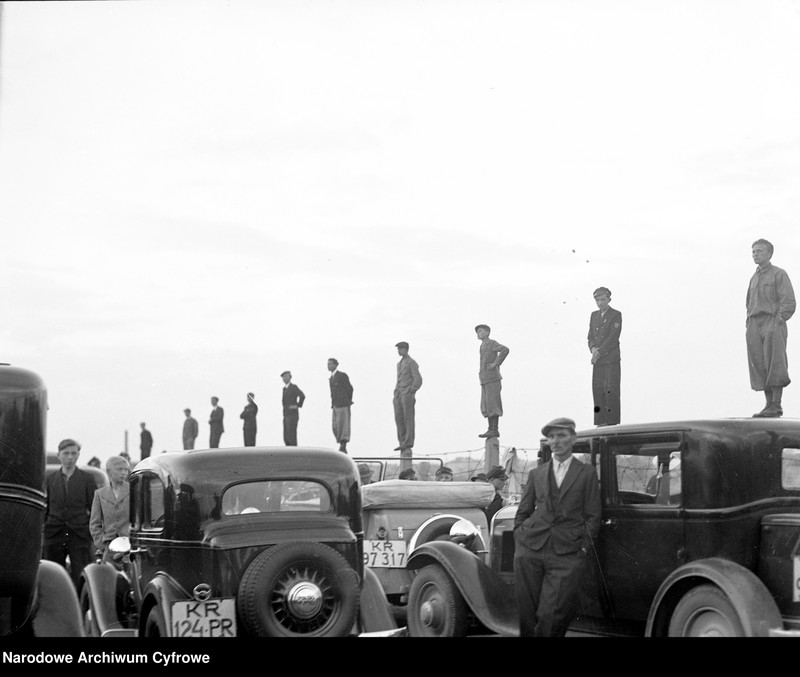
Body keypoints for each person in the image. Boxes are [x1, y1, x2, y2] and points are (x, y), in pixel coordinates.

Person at [513, 417, 601, 637]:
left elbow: (593, 515)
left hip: (566, 553)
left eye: (561, 436)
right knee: (526, 611)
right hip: (530, 549)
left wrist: (582, 549)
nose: (555, 441)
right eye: (551, 436)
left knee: (553, 613)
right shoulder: (537, 473)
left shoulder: (586, 472)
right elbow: (523, 511)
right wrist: (520, 537)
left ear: (573, 438)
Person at [747, 238, 796, 418]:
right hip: (754, 323)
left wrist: (779, 319)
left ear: (769, 253)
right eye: (753, 251)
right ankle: (768, 404)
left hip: (772, 321)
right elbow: (749, 302)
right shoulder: (754, 277)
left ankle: (776, 404)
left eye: (759, 251)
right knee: (759, 363)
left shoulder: (779, 274)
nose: (755, 254)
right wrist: (748, 322)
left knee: (775, 362)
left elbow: (788, 300)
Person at [43, 438, 99, 589]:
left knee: (81, 575)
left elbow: (94, 509)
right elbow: (46, 509)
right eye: (66, 453)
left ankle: (79, 609)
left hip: (79, 535)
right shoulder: (50, 479)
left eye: (73, 453)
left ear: (78, 455)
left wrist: (90, 531)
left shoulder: (87, 479)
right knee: (52, 576)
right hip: (54, 534)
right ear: (59, 455)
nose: (70, 457)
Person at [587, 286, 622, 426]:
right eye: (598, 300)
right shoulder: (594, 315)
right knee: (597, 391)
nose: (600, 303)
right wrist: (593, 349)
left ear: (609, 299)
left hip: (610, 361)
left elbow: (613, 337)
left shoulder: (616, 314)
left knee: (610, 392)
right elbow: (590, 337)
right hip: (597, 361)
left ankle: (612, 423)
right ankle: (600, 423)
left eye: (603, 299)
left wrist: (599, 352)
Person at [89, 456, 130, 561]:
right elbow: (94, 524)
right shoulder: (100, 494)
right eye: (119, 469)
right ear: (109, 471)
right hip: (109, 550)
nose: (123, 472)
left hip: (130, 549)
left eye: (126, 469)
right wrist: (102, 545)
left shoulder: (133, 491)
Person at [474, 324, 510, 439]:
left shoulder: (491, 343)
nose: (478, 334)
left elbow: (505, 349)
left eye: (480, 331)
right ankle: (490, 429)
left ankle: (494, 429)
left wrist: (496, 363)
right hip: (485, 379)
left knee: (493, 404)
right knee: (487, 405)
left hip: (493, 378)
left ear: (487, 332)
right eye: (477, 332)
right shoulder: (482, 346)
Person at [392, 341, 423, 459]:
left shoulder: (411, 362)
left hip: (407, 394)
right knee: (399, 418)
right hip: (399, 394)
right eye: (398, 349)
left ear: (406, 349)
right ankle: (401, 441)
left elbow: (418, 379)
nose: (399, 351)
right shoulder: (399, 364)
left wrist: (411, 391)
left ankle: (408, 441)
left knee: (408, 418)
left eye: (400, 349)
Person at [327, 358, 354, 453]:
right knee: (335, 426)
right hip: (335, 404)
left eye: (330, 364)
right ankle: (341, 443)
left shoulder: (342, 376)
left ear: (335, 365)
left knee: (343, 425)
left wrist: (347, 400)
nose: (328, 366)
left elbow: (350, 389)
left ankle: (343, 444)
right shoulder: (331, 378)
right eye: (328, 364)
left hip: (343, 404)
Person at [281, 371, 306, 446]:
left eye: (286, 376)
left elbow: (302, 396)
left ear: (290, 377)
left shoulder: (293, 387)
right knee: (286, 435)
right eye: (283, 377)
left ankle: (293, 450)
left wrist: (297, 405)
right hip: (286, 414)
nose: (284, 378)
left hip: (292, 415)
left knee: (291, 435)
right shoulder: (284, 389)